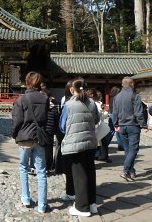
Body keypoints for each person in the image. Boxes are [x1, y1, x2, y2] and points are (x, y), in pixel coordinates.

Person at [12, 71, 50, 214]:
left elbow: (17, 120)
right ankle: (42, 205)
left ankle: (26, 198)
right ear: (39, 83)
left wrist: (14, 134)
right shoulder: (44, 98)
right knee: (41, 171)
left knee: (23, 167)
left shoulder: (21, 100)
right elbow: (45, 118)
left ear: (26, 82)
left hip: (24, 138)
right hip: (39, 137)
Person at [59, 78, 99, 217]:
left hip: (75, 142)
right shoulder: (92, 103)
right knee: (90, 172)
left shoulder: (69, 105)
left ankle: (82, 207)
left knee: (79, 175)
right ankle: (92, 204)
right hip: (90, 141)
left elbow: (62, 126)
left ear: (72, 90)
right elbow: (97, 120)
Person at [113, 76, 146, 181]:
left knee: (128, 150)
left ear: (122, 84)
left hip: (122, 126)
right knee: (134, 149)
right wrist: (143, 124)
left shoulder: (117, 97)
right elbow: (138, 112)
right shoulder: (135, 95)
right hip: (133, 125)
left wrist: (115, 124)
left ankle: (131, 172)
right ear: (132, 84)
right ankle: (126, 170)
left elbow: (114, 112)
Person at [54, 81, 75, 202]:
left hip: (68, 138)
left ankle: (70, 192)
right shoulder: (89, 102)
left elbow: (62, 125)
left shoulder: (66, 102)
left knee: (69, 166)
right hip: (85, 139)